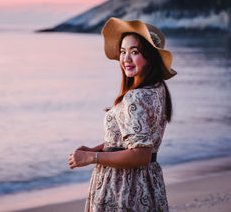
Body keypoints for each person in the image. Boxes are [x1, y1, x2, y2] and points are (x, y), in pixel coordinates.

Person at [68, 17, 177, 211]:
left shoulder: (134, 98)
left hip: (124, 187)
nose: (125, 59)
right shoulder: (158, 88)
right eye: (123, 51)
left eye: (134, 52)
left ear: (151, 56)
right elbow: (131, 141)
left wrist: (91, 158)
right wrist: (95, 150)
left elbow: (140, 154)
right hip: (148, 182)